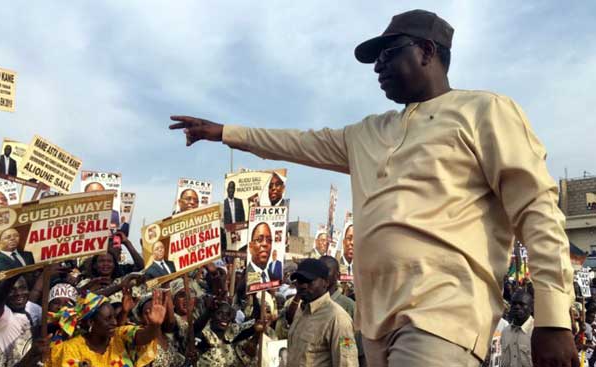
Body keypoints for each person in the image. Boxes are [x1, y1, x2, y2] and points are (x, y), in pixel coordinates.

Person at [169, 8, 576, 366]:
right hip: (375, 323)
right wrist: (225, 132)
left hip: (444, 314)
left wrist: (554, 317)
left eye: (388, 53)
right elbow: (295, 141)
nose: (378, 66)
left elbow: (536, 209)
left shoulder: (485, 112)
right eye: (374, 60)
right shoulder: (367, 133)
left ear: (427, 52)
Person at [49, 291, 164, 366]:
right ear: (91, 322)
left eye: (114, 317)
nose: (114, 322)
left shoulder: (119, 336)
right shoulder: (71, 349)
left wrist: (154, 325)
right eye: (108, 318)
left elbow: (143, 337)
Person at [287, 258, 358, 366]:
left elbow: (347, 363)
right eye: (300, 281)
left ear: (325, 282)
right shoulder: (301, 311)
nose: (303, 286)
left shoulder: (338, 319)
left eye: (309, 281)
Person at [500, 289, 534, 367]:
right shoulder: (505, 332)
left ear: (531, 308)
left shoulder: (537, 332)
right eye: (514, 304)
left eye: (522, 304)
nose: (517, 307)